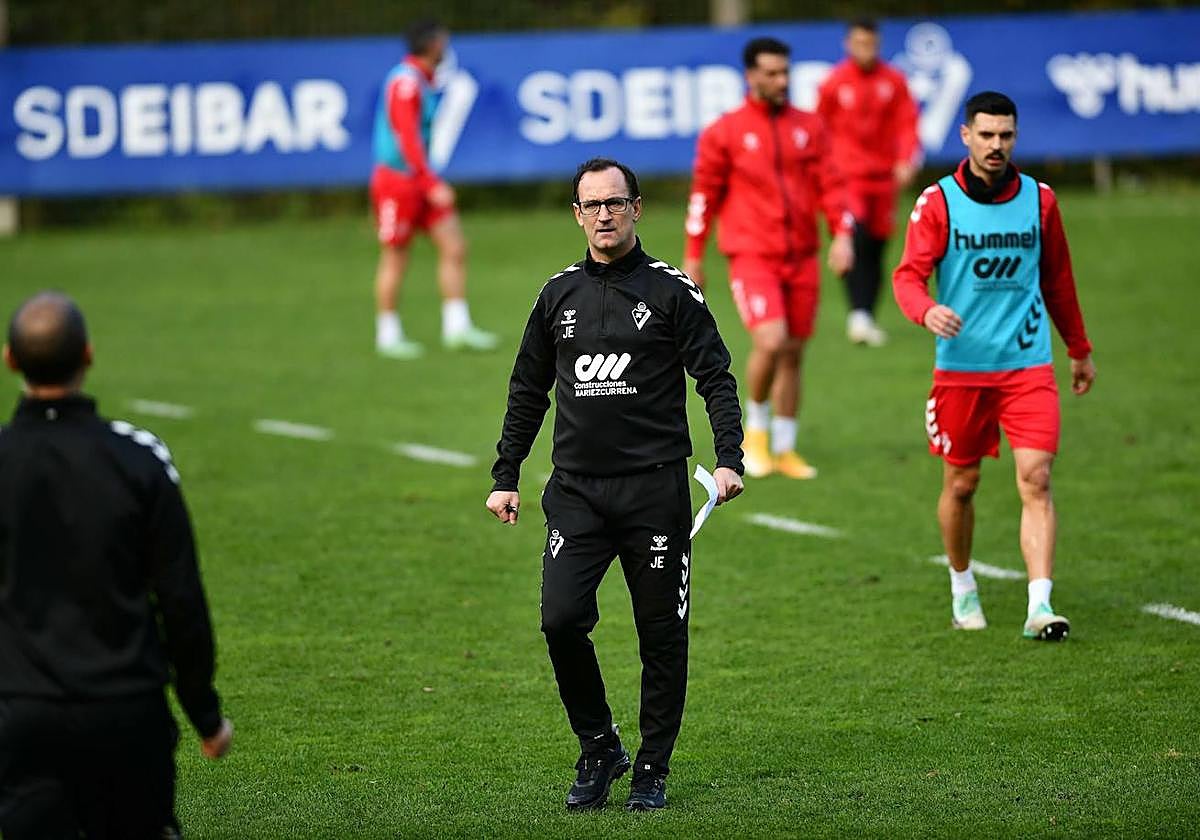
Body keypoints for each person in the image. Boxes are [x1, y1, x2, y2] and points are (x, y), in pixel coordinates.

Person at [486, 158, 744, 811]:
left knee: (662, 634)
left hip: (655, 491)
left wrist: (729, 457)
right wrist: (506, 473)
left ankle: (652, 768)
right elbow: (527, 389)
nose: (604, 214)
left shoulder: (672, 291)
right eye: (591, 204)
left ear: (636, 208)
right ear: (577, 214)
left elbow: (715, 376)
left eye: (615, 202)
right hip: (576, 492)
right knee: (560, 620)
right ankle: (599, 745)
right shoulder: (557, 295)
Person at [0, 292, 232, 838]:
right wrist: (203, 711)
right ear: (88, 354)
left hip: (20, 713)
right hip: (127, 711)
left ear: (10, 361)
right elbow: (180, 598)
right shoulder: (139, 458)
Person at [892, 91, 1096, 640]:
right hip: (960, 371)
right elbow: (907, 276)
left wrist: (1078, 348)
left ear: (1015, 136)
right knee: (961, 484)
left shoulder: (1040, 201)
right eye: (986, 135)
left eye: (1005, 135)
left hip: (1028, 366)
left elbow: (1058, 280)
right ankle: (963, 587)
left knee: (1037, 478)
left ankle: (1040, 606)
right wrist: (927, 310)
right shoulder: (938, 203)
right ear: (966, 135)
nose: (996, 145)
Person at [684, 36, 855, 480]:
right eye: (773, 73)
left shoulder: (809, 127)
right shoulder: (725, 132)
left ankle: (785, 448)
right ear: (751, 75)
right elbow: (704, 195)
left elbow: (831, 186)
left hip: (802, 255)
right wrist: (694, 256)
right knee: (771, 342)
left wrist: (842, 235)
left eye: (786, 72)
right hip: (752, 255)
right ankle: (753, 435)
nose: (782, 81)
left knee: (795, 352)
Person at [370, 19, 497, 358]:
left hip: (419, 180)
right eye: (443, 40)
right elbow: (406, 137)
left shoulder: (421, 82)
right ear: (432, 45)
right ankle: (388, 334)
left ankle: (457, 327)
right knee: (396, 257)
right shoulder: (405, 83)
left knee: (454, 246)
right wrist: (430, 182)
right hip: (398, 182)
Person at [816, 18, 922, 347]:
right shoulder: (834, 83)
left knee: (876, 246)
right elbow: (819, 129)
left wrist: (906, 158)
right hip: (847, 178)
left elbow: (908, 124)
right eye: (860, 43)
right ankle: (858, 313)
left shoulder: (893, 81)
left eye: (871, 44)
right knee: (855, 237)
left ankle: (866, 315)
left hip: (883, 179)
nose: (866, 50)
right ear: (849, 44)